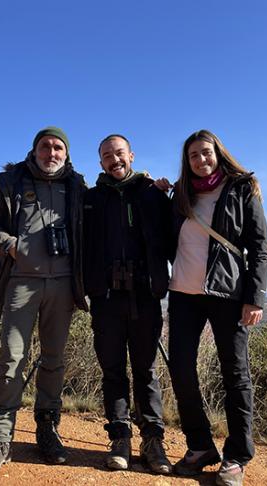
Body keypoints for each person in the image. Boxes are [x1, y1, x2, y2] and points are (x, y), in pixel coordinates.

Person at [0, 127, 88, 474]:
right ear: (34, 150)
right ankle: (0, 438)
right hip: (21, 283)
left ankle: (47, 430)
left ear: (66, 154)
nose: (51, 153)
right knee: (11, 358)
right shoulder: (11, 182)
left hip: (63, 285)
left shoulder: (77, 186)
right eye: (45, 147)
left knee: (53, 360)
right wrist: (8, 244)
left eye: (57, 148)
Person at [168, 130, 267, 486]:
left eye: (206, 153)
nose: (201, 160)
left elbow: (260, 247)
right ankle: (200, 446)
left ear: (218, 153)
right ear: (187, 160)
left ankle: (237, 455)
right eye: (194, 155)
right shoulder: (180, 194)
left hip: (227, 294)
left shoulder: (242, 188)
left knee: (235, 374)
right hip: (182, 294)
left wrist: (254, 297)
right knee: (180, 367)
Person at [83, 134, 172, 474]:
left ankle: (153, 441)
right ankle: (120, 438)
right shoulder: (90, 199)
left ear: (131, 155)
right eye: (107, 155)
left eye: (119, 153)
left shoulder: (152, 194)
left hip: (145, 297)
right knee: (113, 372)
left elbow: (176, 233)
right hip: (105, 299)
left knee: (146, 371)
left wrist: (166, 190)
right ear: (100, 162)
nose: (114, 160)